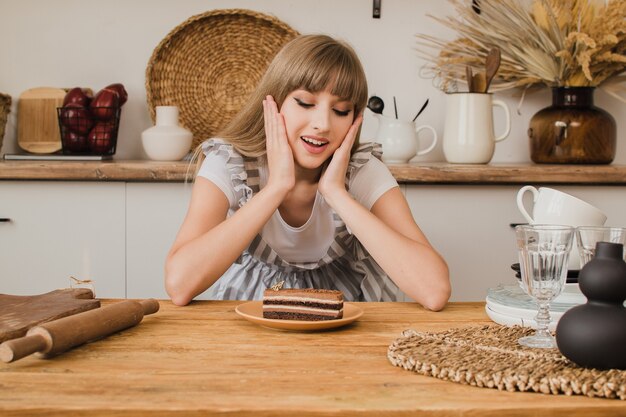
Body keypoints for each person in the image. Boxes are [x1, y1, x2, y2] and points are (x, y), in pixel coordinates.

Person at [165, 34, 450, 310]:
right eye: (305, 103)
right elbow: (179, 285)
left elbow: (434, 291)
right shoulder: (230, 162)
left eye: (340, 110)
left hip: (341, 308)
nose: (323, 124)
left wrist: (337, 194)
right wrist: (276, 188)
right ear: (273, 101)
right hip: (250, 304)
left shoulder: (361, 170)